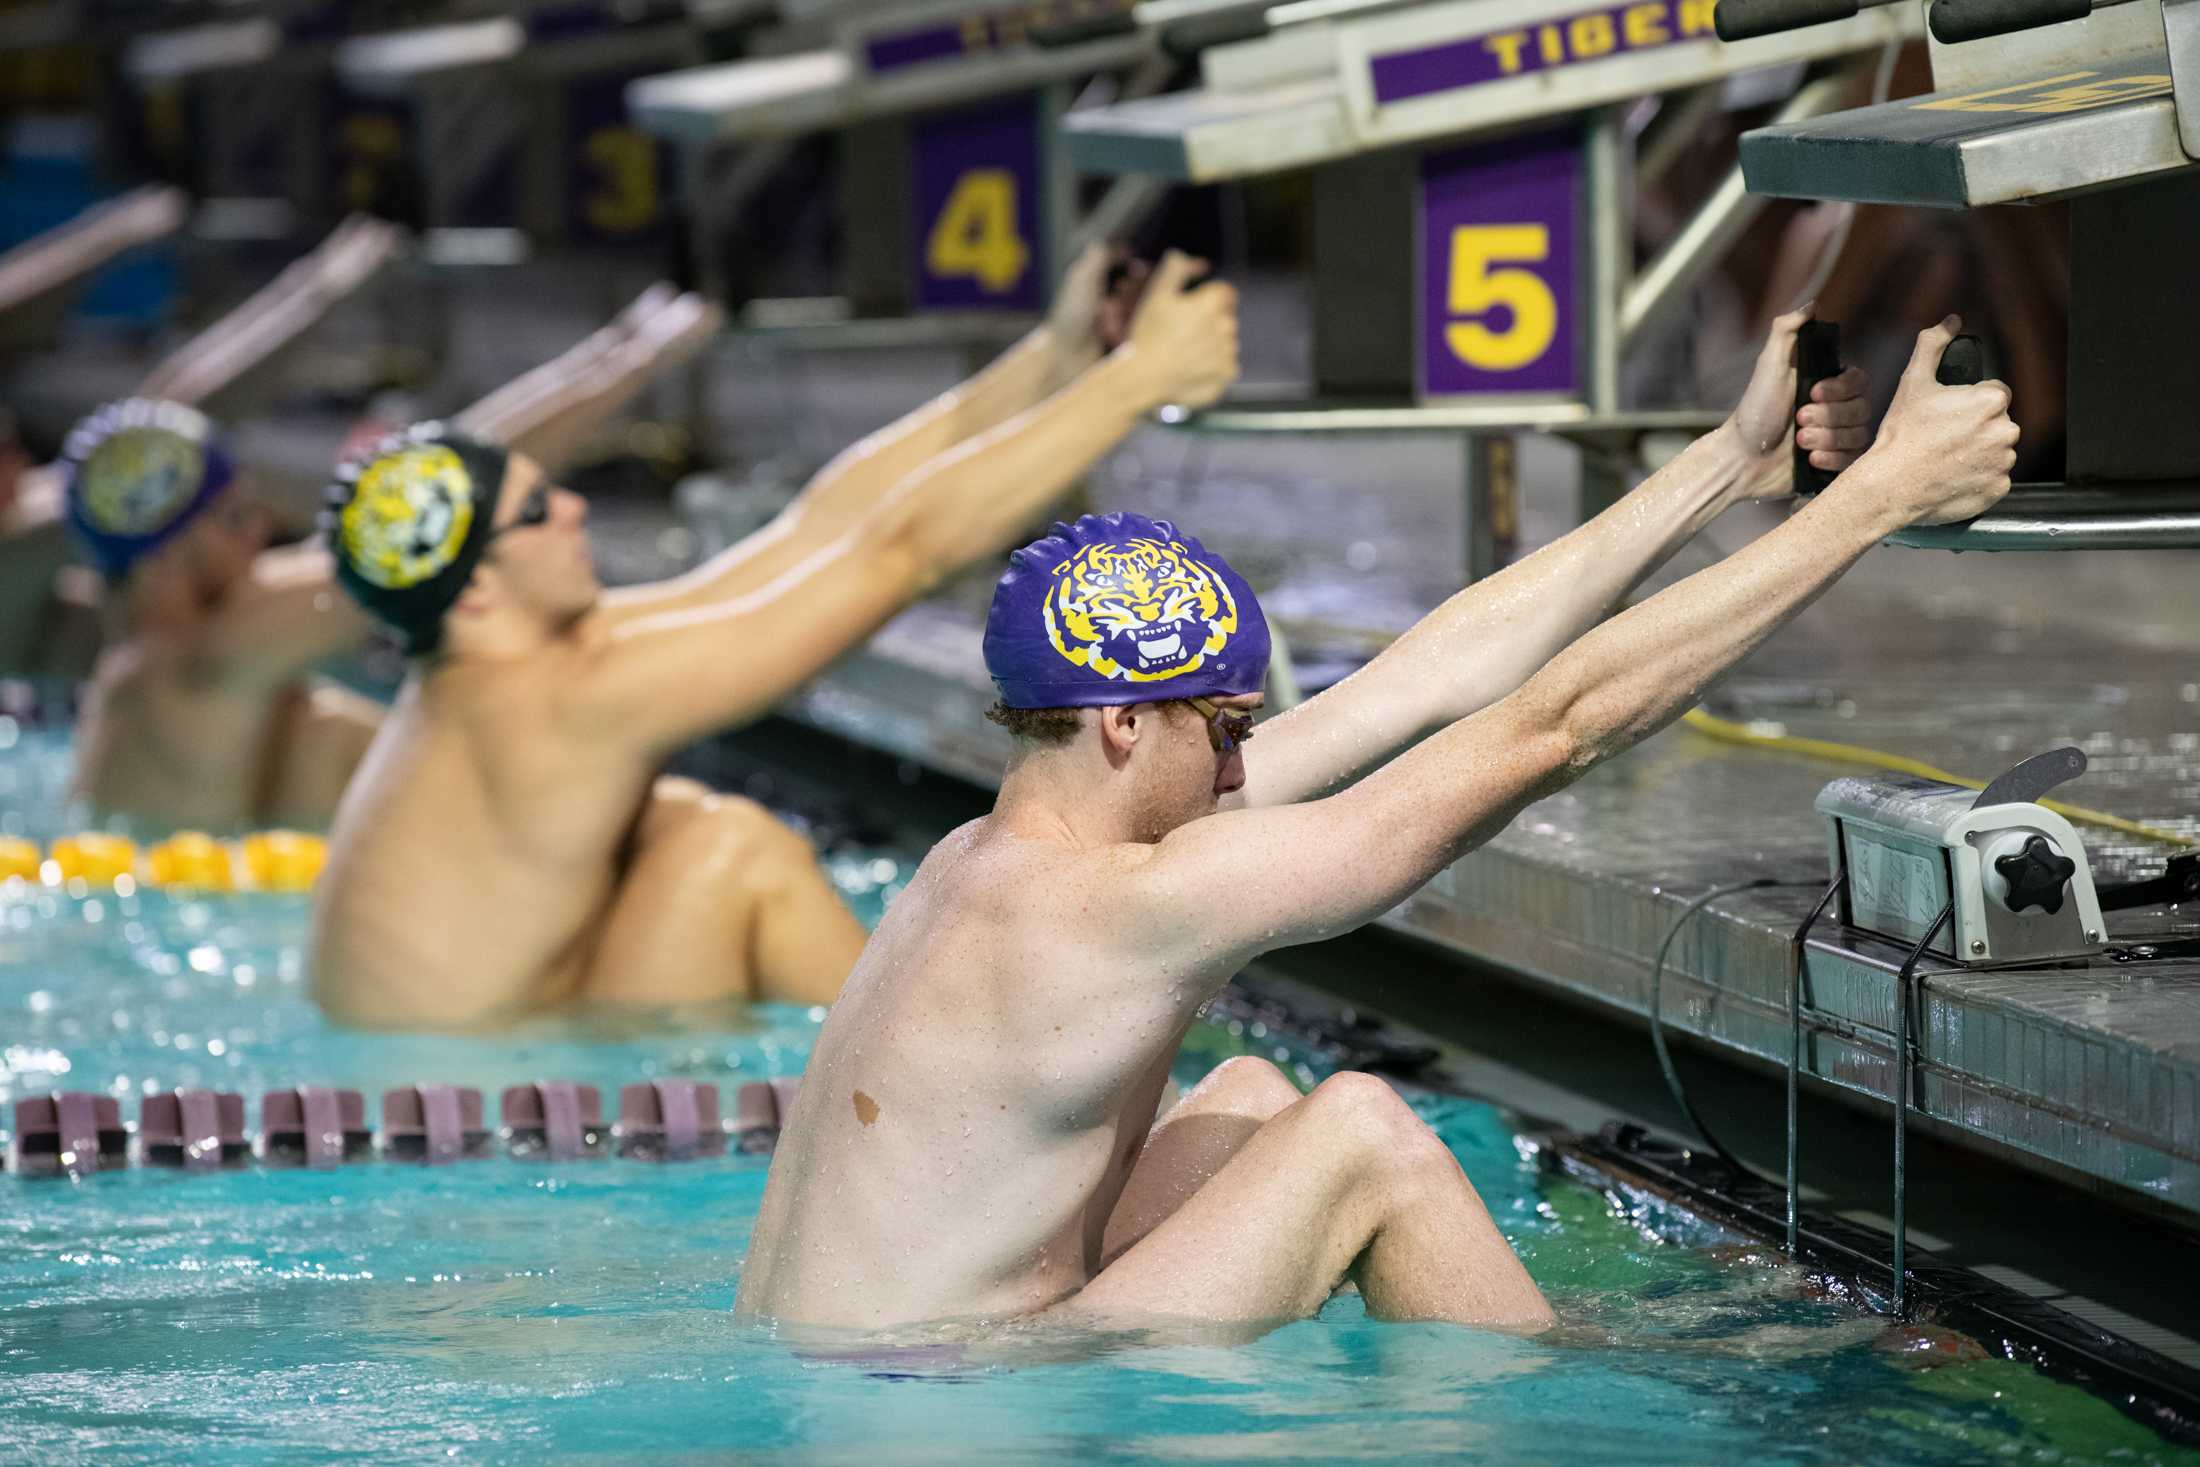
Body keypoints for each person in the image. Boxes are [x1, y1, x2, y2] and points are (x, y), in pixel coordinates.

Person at [735, 312, 2017, 1336]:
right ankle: (1578, 1395)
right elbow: (1549, 731)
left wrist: (1723, 471)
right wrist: (1875, 502)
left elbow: (1420, 680)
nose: (1245, 764)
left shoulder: (1002, 860)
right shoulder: (1120, 912)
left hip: (881, 1373)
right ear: (1127, 723)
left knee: (1242, 1097)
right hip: (945, 1412)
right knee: (1360, 1138)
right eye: (1229, 729)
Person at [309, 249, 1240, 1028]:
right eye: (540, 508)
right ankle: (974, 1098)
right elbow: (896, 555)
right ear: (474, 590)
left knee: (694, 829)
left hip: (475, 1059)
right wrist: (1140, 383)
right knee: (732, 855)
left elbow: (818, 527)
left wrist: (1057, 357)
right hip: (492, 1116)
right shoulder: (559, 697)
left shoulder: (506, 667)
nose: (577, 508)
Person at [66, 284, 722, 833]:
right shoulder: (206, 654)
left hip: (190, 889)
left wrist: (615, 352)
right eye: (234, 517)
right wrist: (634, 360)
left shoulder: (147, 660)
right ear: (166, 555)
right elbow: (440, 489)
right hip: (197, 917)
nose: (261, 529)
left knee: (320, 729)